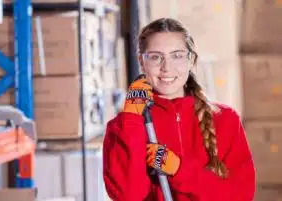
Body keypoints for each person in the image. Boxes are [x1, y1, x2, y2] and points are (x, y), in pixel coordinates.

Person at [103, 18, 255, 201]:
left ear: (191, 60)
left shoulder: (225, 120)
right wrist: (131, 121)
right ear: (141, 62)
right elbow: (129, 195)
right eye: (155, 57)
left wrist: (179, 170)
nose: (166, 68)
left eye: (177, 55)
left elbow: (240, 195)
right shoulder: (122, 126)